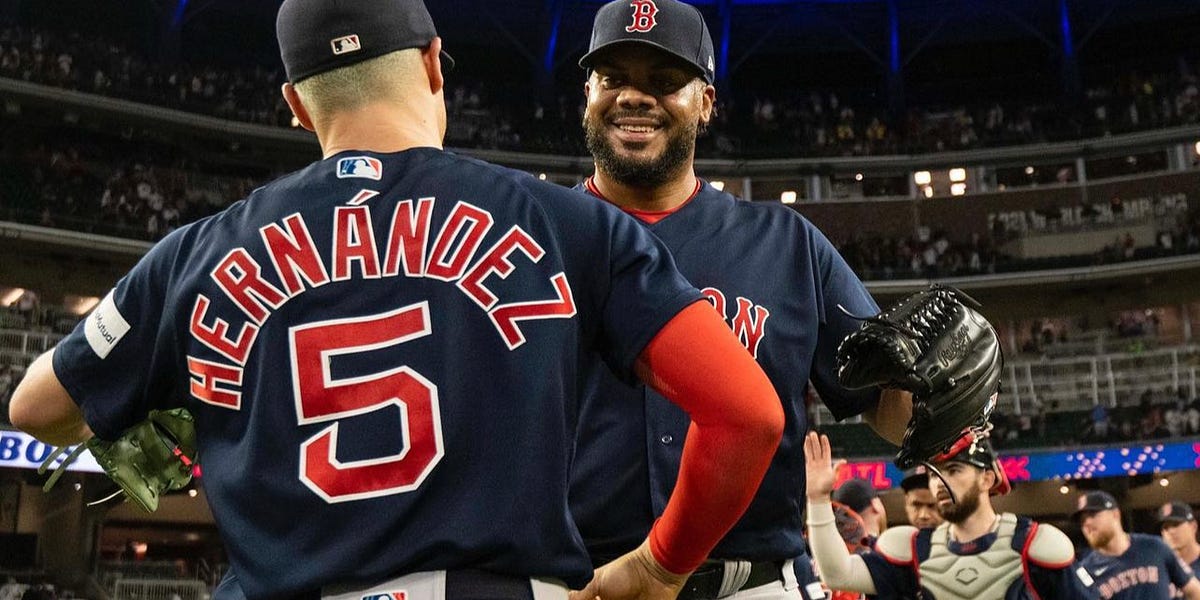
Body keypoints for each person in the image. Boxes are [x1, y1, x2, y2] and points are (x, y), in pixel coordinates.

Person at [8, 1, 788, 598]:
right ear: (434, 62)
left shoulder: (195, 255)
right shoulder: (567, 221)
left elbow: (35, 408)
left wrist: (157, 395)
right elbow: (747, 414)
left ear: (295, 103)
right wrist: (658, 566)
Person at [568, 1, 913, 598]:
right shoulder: (536, 237)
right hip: (579, 584)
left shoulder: (786, 244)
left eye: (664, 81)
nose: (633, 96)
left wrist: (930, 382)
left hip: (748, 585)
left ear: (705, 103)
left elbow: (887, 414)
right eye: (614, 77)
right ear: (588, 92)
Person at [804, 431, 1088, 599]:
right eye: (933, 474)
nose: (939, 483)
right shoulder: (916, 550)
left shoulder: (1033, 545)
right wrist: (817, 499)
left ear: (987, 479)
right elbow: (838, 573)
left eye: (954, 471)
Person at [1075, 491, 1200, 599]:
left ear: (1115, 514)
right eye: (1082, 521)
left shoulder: (1154, 546)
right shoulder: (1085, 572)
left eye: (1093, 515)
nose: (1087, 523)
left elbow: (1194, 592)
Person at [1159, 501, 1200, 599]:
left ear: (1193, 526)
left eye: (1175, 524)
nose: (1171, 531)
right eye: (1166, 527)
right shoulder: (1160, 567)